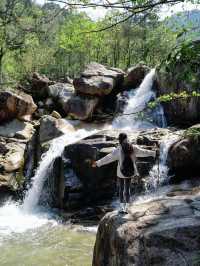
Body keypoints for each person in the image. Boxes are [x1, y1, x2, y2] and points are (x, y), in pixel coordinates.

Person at [92, 133, 157, 214]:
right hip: (130, 172)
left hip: (121, 173)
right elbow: (143, 152)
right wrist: (153, 153)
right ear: (126, 138)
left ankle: (122, 208)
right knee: (127, 189)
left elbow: (109, 158)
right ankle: (127, 208)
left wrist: (97, 163)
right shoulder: (133, 147)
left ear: (120, 140)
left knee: (121, 189)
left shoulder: (118, 149)